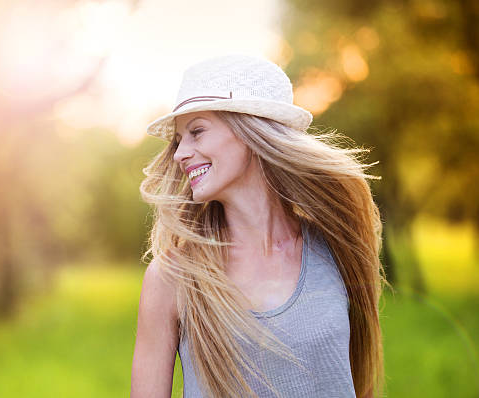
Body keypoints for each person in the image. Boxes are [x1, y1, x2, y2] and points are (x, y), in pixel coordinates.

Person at [130, 55, 388, 398]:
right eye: (178, 140)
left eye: (197, 132)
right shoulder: (172, 277)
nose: (180, 154)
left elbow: (354, 379)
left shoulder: (337, 246)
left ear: (250, 132)